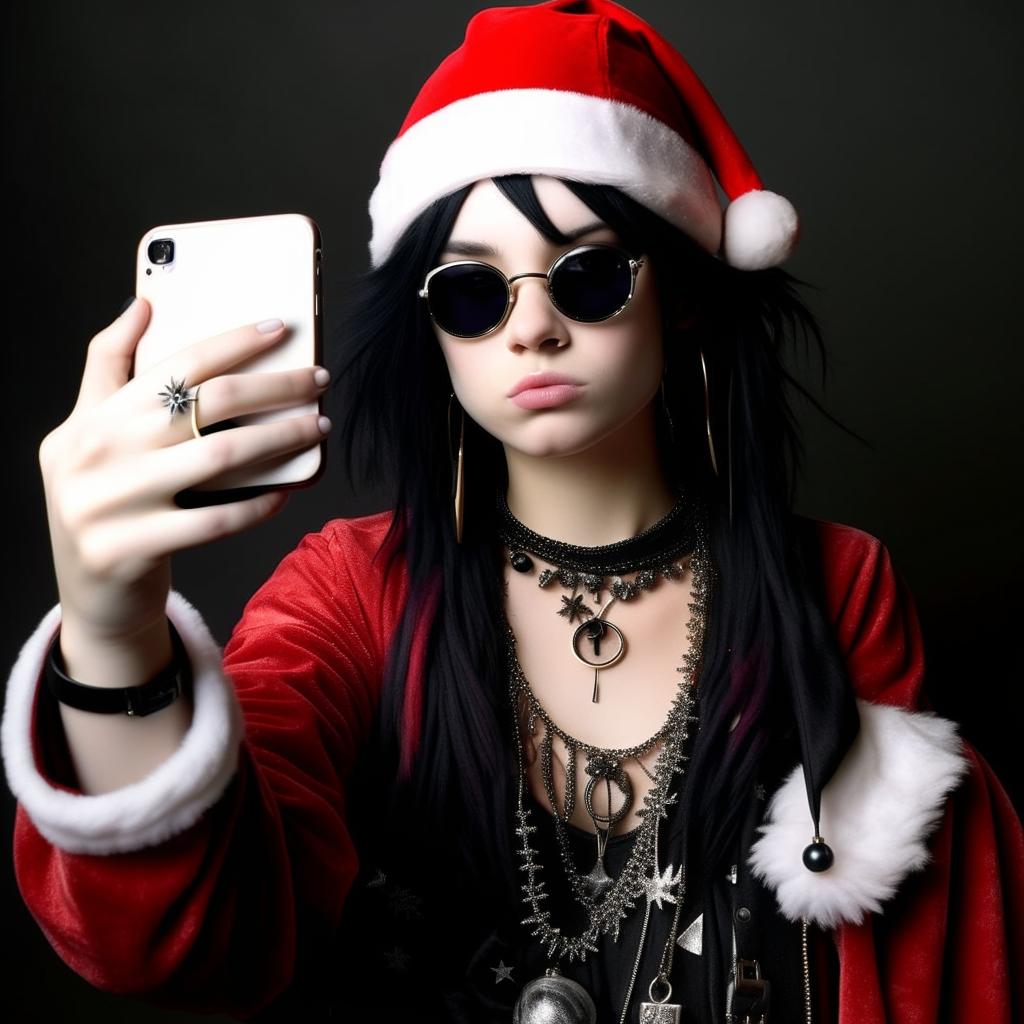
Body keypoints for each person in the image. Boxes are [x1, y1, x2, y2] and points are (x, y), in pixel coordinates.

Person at [3, 1, 1021, 1021]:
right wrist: (111, 634)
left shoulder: (840, 590)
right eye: (471, 294)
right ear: (431, 333)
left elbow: (924, 972)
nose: (530, 327)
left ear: (686, 296)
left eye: (586, 275)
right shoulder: (350, 593)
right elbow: (186, 938)